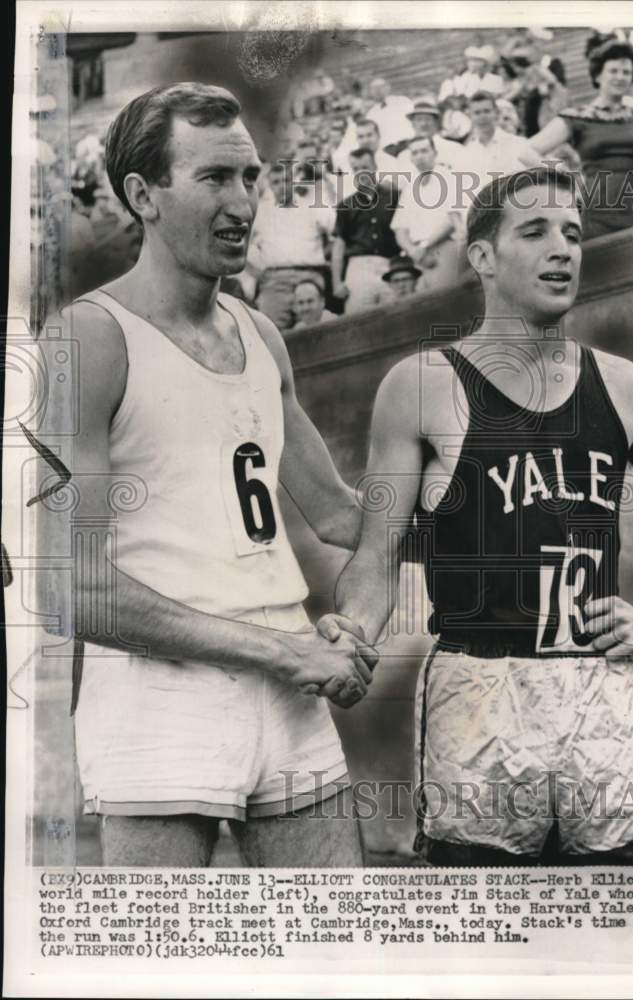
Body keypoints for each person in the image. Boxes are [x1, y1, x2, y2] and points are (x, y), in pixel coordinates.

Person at [44, 83, 377, 868]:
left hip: (293, 691)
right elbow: (73, 588)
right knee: (160, 969)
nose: (242, 202)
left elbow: (339, 515)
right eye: (214, 179)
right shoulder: (90, 339)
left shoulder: (261, 331)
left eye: (250, 177)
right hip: (161, 697)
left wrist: (468, 513)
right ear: (142, 195)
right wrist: (283, 651)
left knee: (336, 957)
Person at [319, 167, 633, 866]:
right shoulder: (422, 385)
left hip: (595, 686)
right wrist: (355, 629)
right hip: (479, 686)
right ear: (482, 256)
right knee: (485, 932)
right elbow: (376, 554)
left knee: (610, 934)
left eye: (574, 234)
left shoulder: (629, 386)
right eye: (536, 230)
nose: (564, 249)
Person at [529, 37, 633, 239]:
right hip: (595, 214)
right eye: (613, 71)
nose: (620, 77)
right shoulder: (578, 117)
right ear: (598, 76)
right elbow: (526, 151)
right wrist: (563, 175)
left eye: (626, 72)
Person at [246, 162, 335, 329]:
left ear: (294, 181)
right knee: (272, 333)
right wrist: (257, 272)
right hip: (275, 281)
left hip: (310, 276)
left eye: (286, 180)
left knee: (317, 331)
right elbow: (241, 245)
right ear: (270, 185)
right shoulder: (261, 212)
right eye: (276, 182)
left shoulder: (312, 205)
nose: (282, 186)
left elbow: (337, 234)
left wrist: (326, 254)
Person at [332, 147, 400, 314]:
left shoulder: (395, 197)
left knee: (394, 316)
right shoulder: (345, 206)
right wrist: (336, 282)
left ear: (375, 167)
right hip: (359, 268)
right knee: (358, 319)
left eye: (365, 167)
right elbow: (339, 245)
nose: (361, 173)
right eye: (356, 169)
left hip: (389, 265)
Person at [390, 135, 462, 292]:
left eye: (424, 151)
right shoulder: (410, 187)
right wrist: (413, 251)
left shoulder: (449, 178)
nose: (420, 156)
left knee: (445, 301)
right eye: (415, 153)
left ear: (434, 153)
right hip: (417, 257)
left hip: (443, 248)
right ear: (411, 158)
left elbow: (451, 222)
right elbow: (400, 230)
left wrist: (425, 247)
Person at [464, 91, 540, 192]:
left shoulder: (516, 143)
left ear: (496, 113)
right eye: (477, 113)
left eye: (487, 111)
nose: (482, 117)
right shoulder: (469, 151)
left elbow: (543, 171)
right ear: (470, 116)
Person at [393, 98, 472, 175]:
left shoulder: (455, 149)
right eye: (419, 120)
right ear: (412, 124)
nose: (423, 124)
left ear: (436, 122)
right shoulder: (404, 156)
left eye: (428, 119)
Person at [365, 77, 415, 149]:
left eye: (381, 87)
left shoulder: (402, 101)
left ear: (388, 87)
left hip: (406, 142)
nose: (378, 91)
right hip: (387, 148)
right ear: (370, 92)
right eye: (374, 88)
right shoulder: (371, 114)